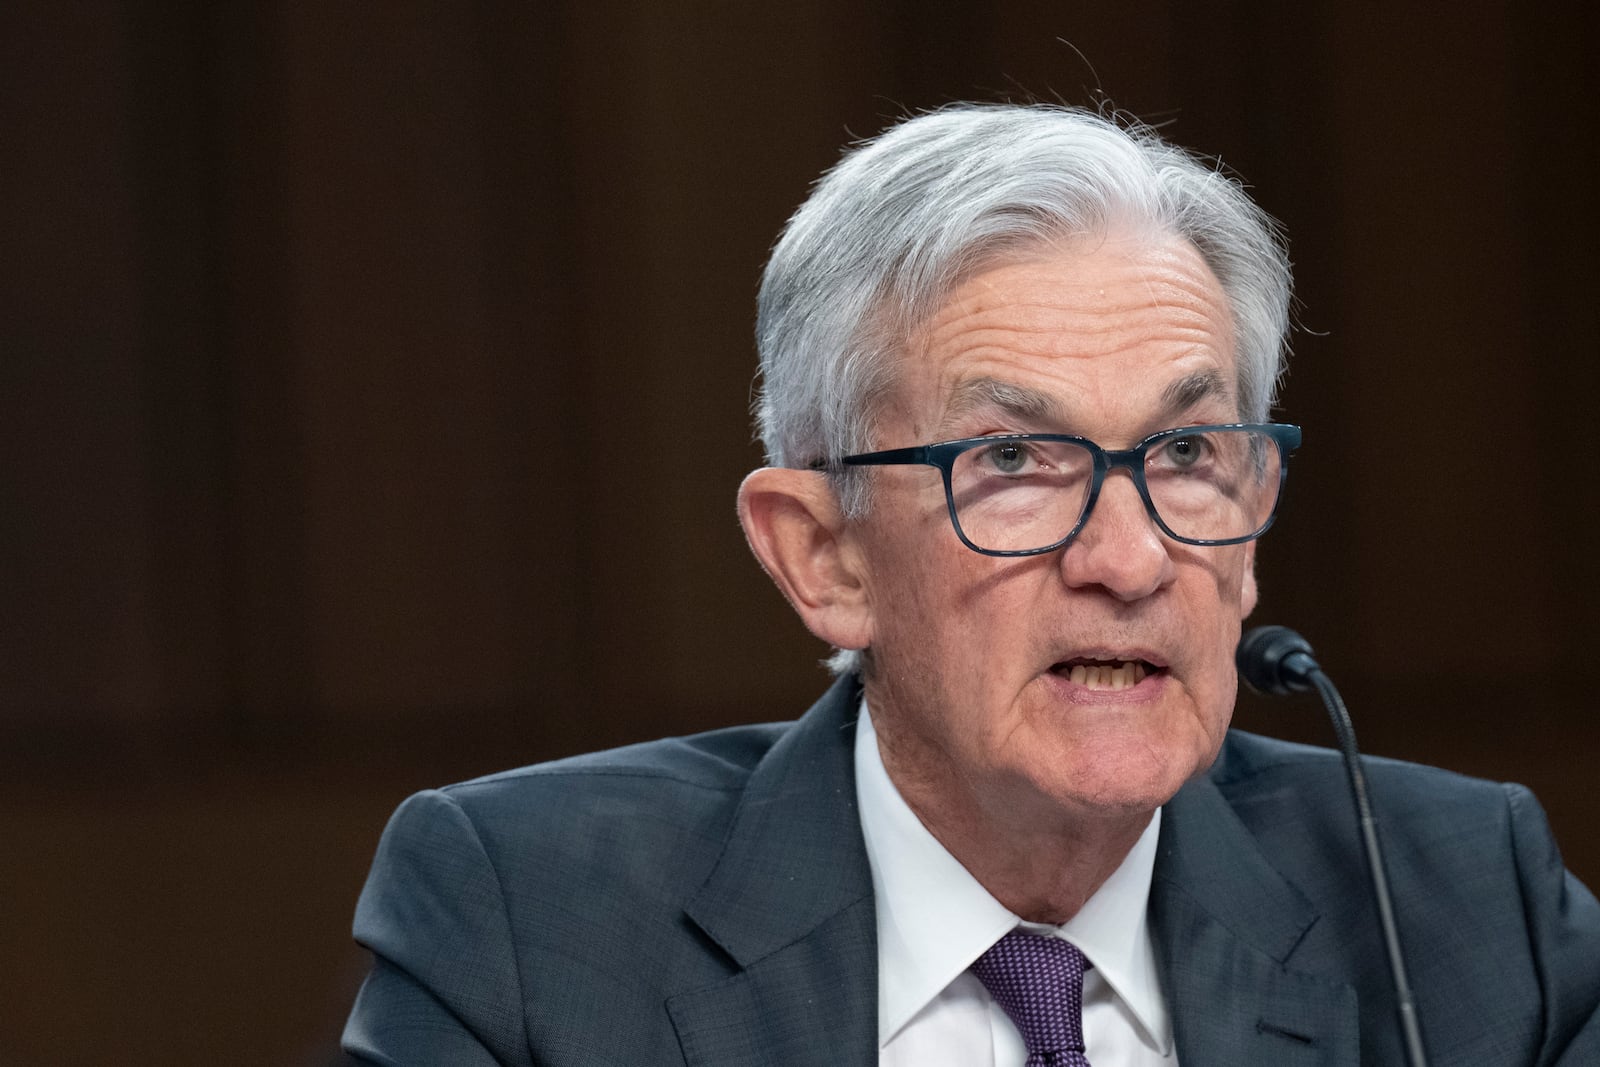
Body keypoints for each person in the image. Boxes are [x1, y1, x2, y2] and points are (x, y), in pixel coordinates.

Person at [342, 104, 1600, 1065]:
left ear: (1253, 520)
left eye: (1183, 455)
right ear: (820, 555)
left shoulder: (1463, 903)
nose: (1129, 558)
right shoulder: (533, 924)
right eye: (1011, 461)